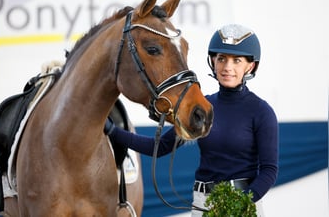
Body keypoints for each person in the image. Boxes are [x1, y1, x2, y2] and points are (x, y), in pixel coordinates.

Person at [104, 24, 278, 217]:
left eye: (236, 60)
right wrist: (113, 131)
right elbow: (160, 147)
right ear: (213, 61)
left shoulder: (261, 112)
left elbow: (269, 170)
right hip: (203, 202)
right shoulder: (202, 108)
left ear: (250, 66)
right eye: (221, 59)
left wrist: (242, 201)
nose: (227, 67)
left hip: (242, 203)